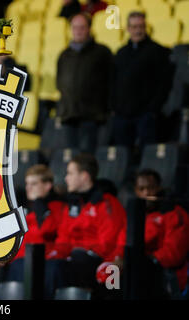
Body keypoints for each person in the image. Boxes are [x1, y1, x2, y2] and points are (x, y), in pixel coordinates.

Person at [97, 169, 189, 299]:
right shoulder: (134, 214)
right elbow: (122, 243)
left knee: (133, 277)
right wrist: (118, 260)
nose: (146, 193)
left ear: (159, 188)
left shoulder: (173, 213)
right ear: (136, 191)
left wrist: (140, 260)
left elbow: (174, 253)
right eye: (142, 189)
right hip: (133, 268)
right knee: (110, 275)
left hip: (162, 273)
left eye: (151, 188)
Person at [45, 153, 126, 299]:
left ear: (84, 176)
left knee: (68, 263)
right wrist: (57, 253)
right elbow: (64, 238)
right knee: (45, 265)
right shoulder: (72, 204)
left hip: (99, 262)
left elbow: (108, 243)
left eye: (70, 173)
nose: (66, 178)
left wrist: (78, 251)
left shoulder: (107, 203)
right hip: (75, 260)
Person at [110, 11, 173, 149]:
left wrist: (152, 109)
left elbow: (164, 84)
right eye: (134, 27)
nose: (138, 30)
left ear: (146, 27)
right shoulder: (121, 53)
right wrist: (115, 107)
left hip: (146, 116)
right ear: (128, 28)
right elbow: (113, 83)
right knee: (123, 155)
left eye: (141, 26)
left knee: (146, 155)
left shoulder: (158, 51)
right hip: (122, 115)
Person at [0, 165, 65, 283]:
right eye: (27, 184)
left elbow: (45, 231)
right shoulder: (23, 208)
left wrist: (39, 204)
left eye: (34, 184)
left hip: (39, 263)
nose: (29, 188)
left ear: (47, 186)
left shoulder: (57, 207)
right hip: (15, 261)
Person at [56, 12, 113, 153]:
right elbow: (60, 81)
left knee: (88, 159)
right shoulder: (64, 55)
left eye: (82, 27)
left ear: (89, 29)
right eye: (75, 28)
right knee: (72, 159)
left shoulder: (102, 52)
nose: (78, 31)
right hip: (69, 117)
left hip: (92, 118)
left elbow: (111, 82)